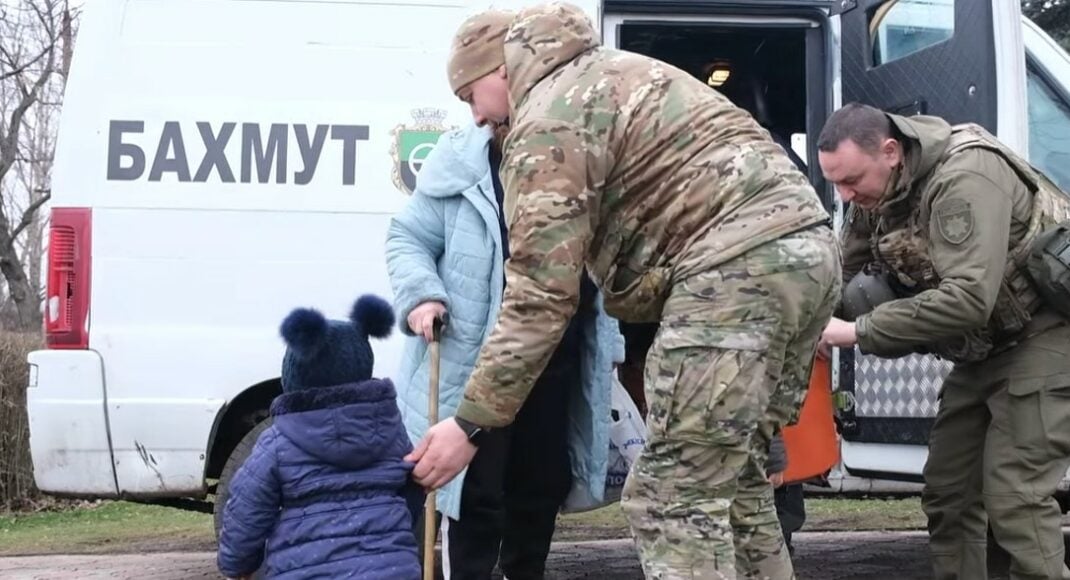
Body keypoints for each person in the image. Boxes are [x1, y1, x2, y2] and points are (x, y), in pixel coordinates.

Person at [406, 3, 842, 579]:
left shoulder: (548, 117)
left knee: (672, 497)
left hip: (734, 274)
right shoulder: (618, 72)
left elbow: (540, 296)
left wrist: (468, 426)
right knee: (736, 483)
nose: (480, 119)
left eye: (470, 97)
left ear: (501, 71)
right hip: (808, 257)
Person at [816, 102, 1070, 580]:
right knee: (950, 493)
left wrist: (857, 332)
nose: (845, 195)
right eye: (837, 183)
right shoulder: (879, 195)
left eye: (851, 180)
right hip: (984, 351)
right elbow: (843, 274)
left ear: (890, 151)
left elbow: (969, 299)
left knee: (1015, 494)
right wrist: (814, 323)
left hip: (1046, 337)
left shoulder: (966, 175)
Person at [385, 120, 624, 580]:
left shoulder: (586, 160)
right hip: (477, 372)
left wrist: (609, 345)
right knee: (474, 500)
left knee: (539, 495)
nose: (473, 111)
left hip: (557, 370)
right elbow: (407, 237)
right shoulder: (462, 164)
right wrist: (422, 294)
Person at [216, 295, 422, 580]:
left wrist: (237, 564)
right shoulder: (392, 431)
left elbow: (246, 510)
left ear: (294, 374)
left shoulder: (278, 442)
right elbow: (413, 490)